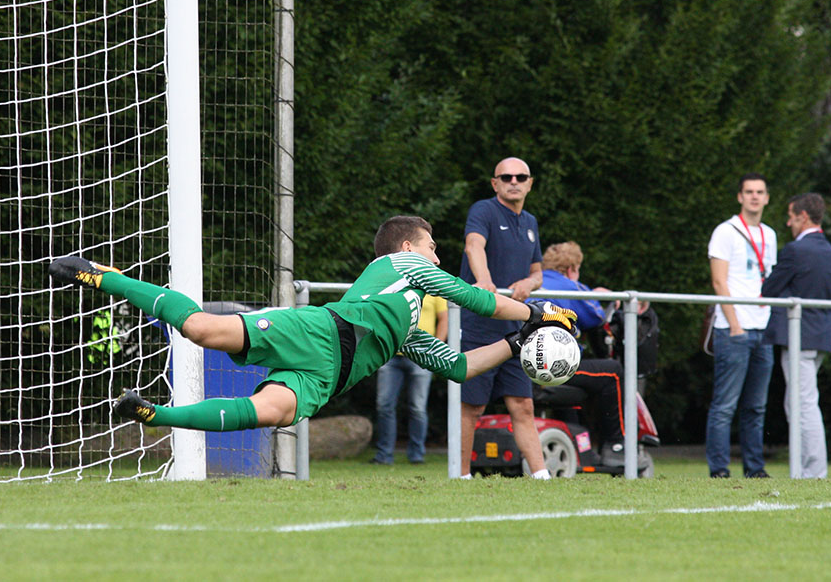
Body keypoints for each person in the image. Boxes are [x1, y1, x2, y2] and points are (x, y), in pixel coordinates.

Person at [49, 215, 577, 435]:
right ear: (410, 246)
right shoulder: (402, 265)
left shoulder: (406, 324)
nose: (438, 258)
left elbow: (460, 366)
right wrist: (536, 311)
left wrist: (518, 341)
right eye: (434, 247)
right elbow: (478, 300)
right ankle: (104, 279)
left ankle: (153, 414)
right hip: (321, 331)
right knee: (204, 331)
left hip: (328, 376)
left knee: (270, 412)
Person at [459, 157, 548, 480]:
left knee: (523, 405)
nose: (514, 181)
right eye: (506, 176)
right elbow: (473, 246)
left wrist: (528, 283)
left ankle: (541, 477)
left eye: (520, 176)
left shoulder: (530, 222)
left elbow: (537, 272)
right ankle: (462, 477)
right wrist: (484, 282)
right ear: (495, 183)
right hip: (479, 325)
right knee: (471, 408)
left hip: (516, 329)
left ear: (530, 182)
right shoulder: (483, 210)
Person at [761, 193, 831, 479]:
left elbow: (770, 290)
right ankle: (808, 469)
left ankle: (813, 472)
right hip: (820, 336)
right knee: (803, 401)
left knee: (802, 404)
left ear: (803, 217)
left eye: (791, 216)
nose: (788, 222)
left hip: (800, 336)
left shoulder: (796, 250)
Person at [706, 173, 777, 479]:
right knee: (725, 405)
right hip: (733, 328)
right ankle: (719, 469)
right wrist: (735, 324)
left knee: (756, 407)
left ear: (767, 197)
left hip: (763, 328)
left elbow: (769, 279)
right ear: (739, 197)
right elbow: (719, 280)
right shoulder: (726, 231)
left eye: (760, 192)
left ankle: (755, 468)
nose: (754, 197)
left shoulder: (770, 234)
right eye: (749, 192)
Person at [535, 241, 628, 466]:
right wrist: (594, 293)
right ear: (571, 269)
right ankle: (615, 446)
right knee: (612, 372)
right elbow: (595, 315)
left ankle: (577, 445)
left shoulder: (535, 281)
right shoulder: (569, 286)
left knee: (577, 378)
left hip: (527, 365)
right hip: (552, 364)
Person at [372, 294, 447, 465]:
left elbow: (444, 319)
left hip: (421, 355)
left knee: (418, 408)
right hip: (391, 354)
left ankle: (416, 455)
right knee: (384, 405)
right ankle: (384, 455)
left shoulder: (433, 284)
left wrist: (434, 349)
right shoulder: (395, 282)